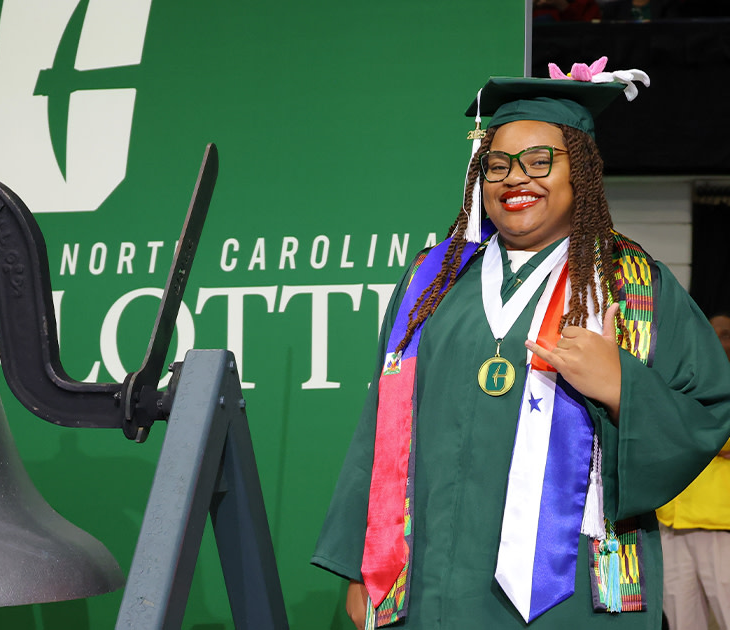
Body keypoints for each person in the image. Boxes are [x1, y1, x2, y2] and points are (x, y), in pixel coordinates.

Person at [312, 60, 730, 630]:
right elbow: (380, 427)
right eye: (497, 165)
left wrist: (622, 387)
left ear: (580, 172)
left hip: (574, 590)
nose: (515, 179)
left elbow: (708, 410)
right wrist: (361, 566)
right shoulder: (431, 283)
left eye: (539, 161)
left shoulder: (631, 284)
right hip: (430, 578)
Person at [655, 312, 730, 630]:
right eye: (710, 332)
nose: (715, 339)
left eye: (725, 334)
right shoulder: (679, 381)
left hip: (721, 525)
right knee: (682, 623)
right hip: (670, 521)